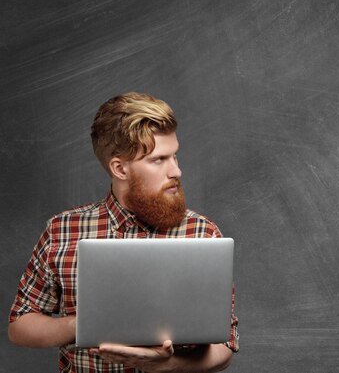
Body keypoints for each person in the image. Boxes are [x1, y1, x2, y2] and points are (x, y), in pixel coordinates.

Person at [8, 92, 239, 372]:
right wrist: (84, 324)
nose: (176, 170)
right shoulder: (62, 230)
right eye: (159, 160)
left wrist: (166, 366)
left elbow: (225, 344)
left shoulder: (202, 233)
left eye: (175, 155)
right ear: (120, 168)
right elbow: (20, 325)